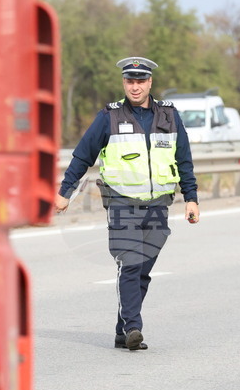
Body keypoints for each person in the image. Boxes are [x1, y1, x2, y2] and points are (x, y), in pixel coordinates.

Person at [55, 56, 199, 351]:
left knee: (144, 269)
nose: (135, 86)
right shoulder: (109, 117)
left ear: (150, 83)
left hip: (158, 204)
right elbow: (83, 155)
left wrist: (192, 198)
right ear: (124, 83)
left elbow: (183, 159)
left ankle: (123, 328)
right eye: (130, 81)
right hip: (122, 203)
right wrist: (65, 192)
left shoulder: (169, 117)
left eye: (140, 81)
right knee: (130, 263)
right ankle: (134, 327)